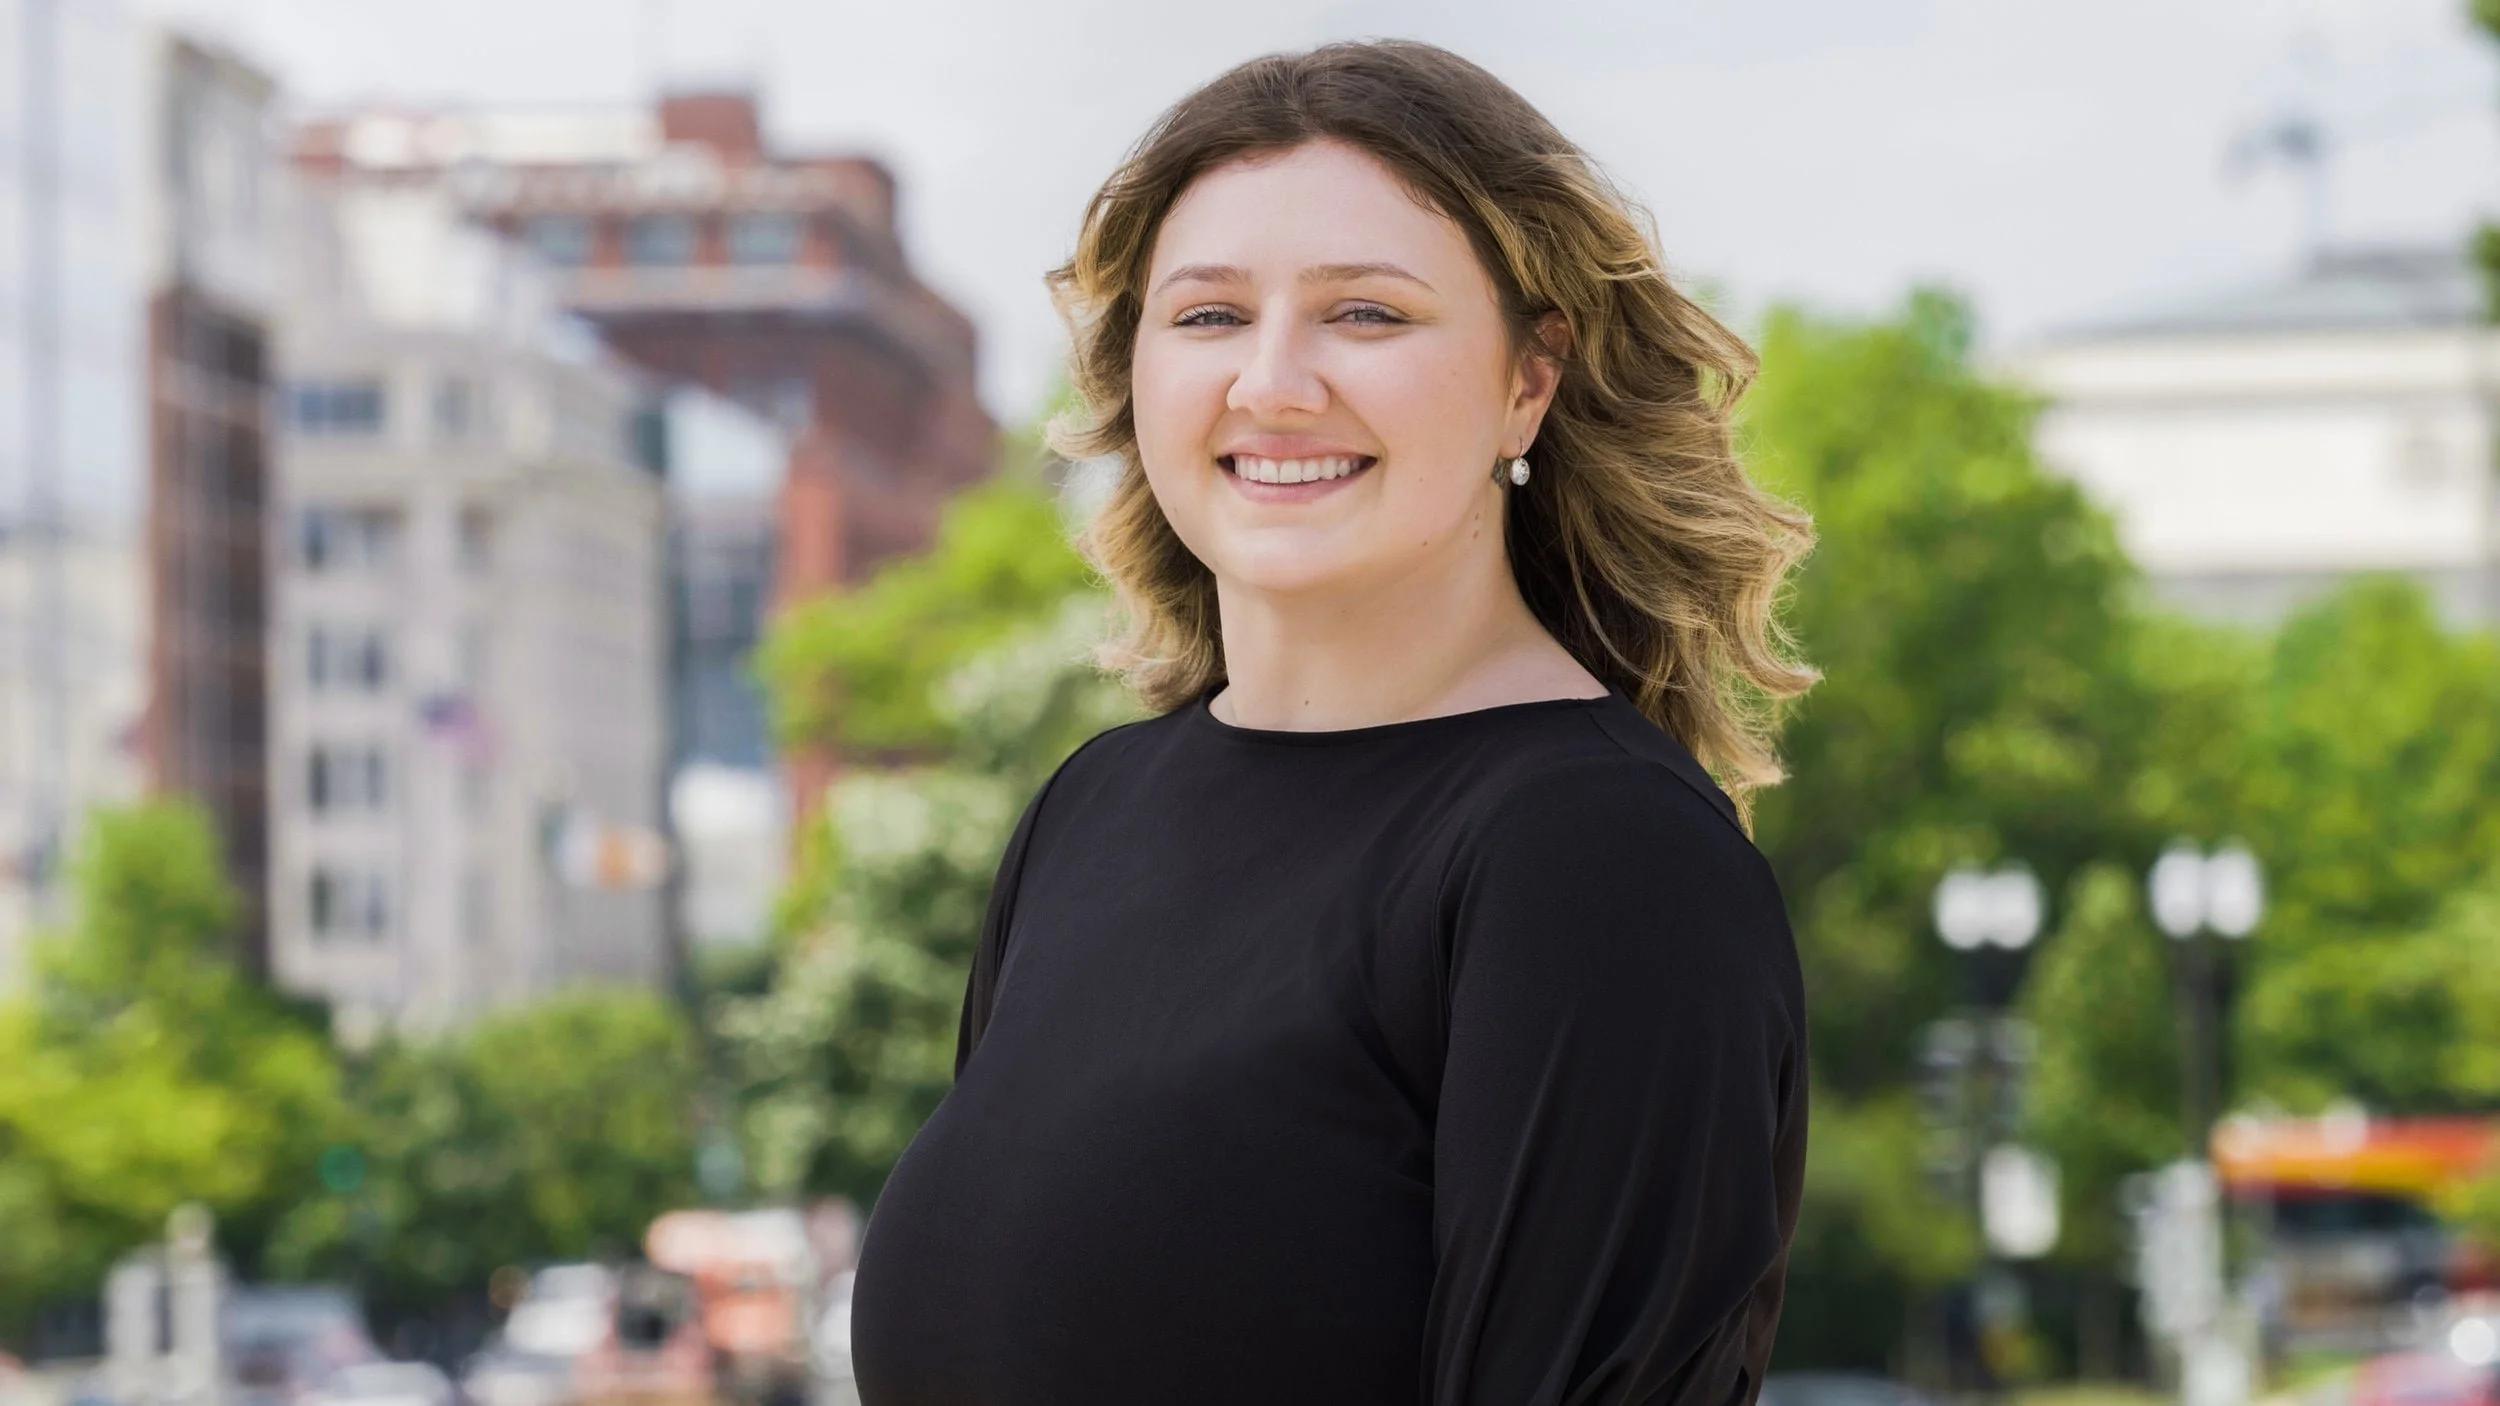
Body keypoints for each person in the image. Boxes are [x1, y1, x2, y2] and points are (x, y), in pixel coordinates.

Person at [850, 38, 1815, 1406]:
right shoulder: (1093, 808)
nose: (1275, 381)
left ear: (1527, 381)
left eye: (1366, 314)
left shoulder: (1596, 857)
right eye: (1208, 316)